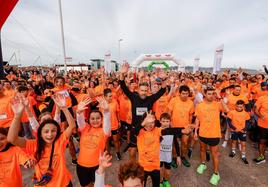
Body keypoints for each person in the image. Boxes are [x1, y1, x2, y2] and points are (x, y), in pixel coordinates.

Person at [7, 94, 76, 187]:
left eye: (53, 131)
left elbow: (72, 126)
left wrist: (63, 107)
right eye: (46, 132)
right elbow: (11, 139)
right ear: (39, 132)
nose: (50, 134)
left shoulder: (60, 141)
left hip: (64, 183)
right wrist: (17, 116)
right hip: (44, 184)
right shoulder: (34, 145)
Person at [119, 63, 167, 160]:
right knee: (132, 152)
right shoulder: (133, 97)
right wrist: (122, 74)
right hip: (135, 128)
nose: (144, 92)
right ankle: (133, 169)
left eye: (145, 90)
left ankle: (145, 168)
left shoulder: (150, 99)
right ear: (138, 90)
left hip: (146, 130)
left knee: (145, 152)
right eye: (142, 90)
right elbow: (123, 86)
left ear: (147, 90)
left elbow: (162, 90)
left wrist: (163, 79)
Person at [136, 112, 190, 187]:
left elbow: (170, 132)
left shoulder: (158, 130)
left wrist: (182, 130)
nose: (150, 124)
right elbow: (134, 132)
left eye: (152, 122)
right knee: (144, 182)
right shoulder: (140, 132)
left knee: (162, 178)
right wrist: (144, 122)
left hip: (161, 161)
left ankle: (164, 181)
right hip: (149, 162)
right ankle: (160, 181)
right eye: (148, 122)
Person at [76, 96, 111, 187]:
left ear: (102, 119)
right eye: (92, 118)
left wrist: (107, 112)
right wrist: (79, 112)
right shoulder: (85, 128)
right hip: (81, 165)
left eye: (98, 118)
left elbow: (107, 122)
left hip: (97, 166)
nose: (95, 121)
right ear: (88, 120)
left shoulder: (104, 131)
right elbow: (80, 121)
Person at [194, 87, 226, 186]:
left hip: (214, 134)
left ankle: (216, 173)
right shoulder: (200, 106)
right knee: (203, 150)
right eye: (209, 93)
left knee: (214, 154)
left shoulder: (217, 104)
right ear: (205, 95)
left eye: (213, 94)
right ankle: (203, 164)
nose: (211, 95)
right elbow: (198, 119)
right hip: (202, 133)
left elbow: (227, 110)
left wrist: (219, 97)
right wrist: (195, 131)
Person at [168, 85, 194, 168]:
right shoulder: (173, 100)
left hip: (185, 127)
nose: (185, 95)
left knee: (185, 143)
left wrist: (189, 126)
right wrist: (170, 124)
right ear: (179, 93)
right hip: (174, 126)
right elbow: (169, 112)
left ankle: (182, 157)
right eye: (183, 93)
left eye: (186, 93)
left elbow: (191, 115)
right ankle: (174, 158)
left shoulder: (190, 102)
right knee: (175, 144)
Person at [159, 113, 182, 187]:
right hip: (159, 155)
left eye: (167, 121)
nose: (165, 123)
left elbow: (176, 143)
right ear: (160, 121)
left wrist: (178, 156)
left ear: (170, 122)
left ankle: (165, 180)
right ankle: (160, 181)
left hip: (168, 155)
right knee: (160, 170)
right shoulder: (157, 130)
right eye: (163, 121)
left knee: (168, 172)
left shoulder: (172, 131)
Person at [225, 100, 251, 164]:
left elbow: (248, 122)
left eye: (241, 107)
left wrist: (244, 129)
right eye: (238, 106)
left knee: (243, 144)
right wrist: (234, 128)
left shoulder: (246, 113)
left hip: (242, 131)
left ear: (243, 107)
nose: (239, 108)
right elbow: (228, 121)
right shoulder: (231, 112)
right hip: (234, 130)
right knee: (234, 141)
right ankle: (233, 152)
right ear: (235, 106)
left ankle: (243, 156)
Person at [103, 88, 121, 160]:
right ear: (105, 97)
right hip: (106, 126)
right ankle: (108, 153)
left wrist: (119, 121)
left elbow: (117, 112)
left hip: (114, 125)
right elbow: (100, 116)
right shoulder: (102, 104)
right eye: (110, 96)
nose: (111, 97)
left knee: (116, 140)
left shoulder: (115, 102)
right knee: (106, 141)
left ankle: (117, 152)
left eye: (111, 96)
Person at [253, 82, 268, 164]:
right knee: (262, 141)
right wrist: (261, 116)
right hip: (263, 124)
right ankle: (261, 156)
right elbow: (255, 109)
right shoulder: (262, 98)